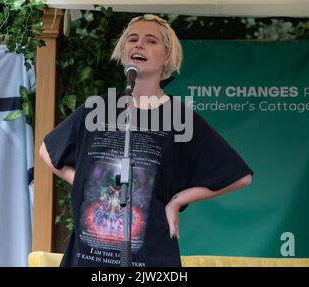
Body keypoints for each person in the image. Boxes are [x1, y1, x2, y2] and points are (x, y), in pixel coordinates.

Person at [39, 14, 253, 267]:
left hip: (150, 259)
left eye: (151, 41)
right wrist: (83, 182)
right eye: (132, 39)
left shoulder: (178, 117)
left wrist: (177, 201)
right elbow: (47, 150)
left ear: (167, 57)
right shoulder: (97, 109)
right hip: (88, 258)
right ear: (123, 51)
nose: (139, 44)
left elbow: (239, 176)